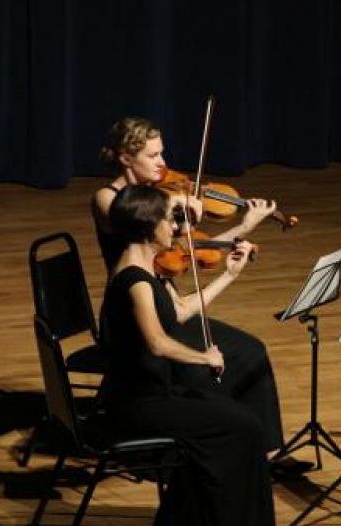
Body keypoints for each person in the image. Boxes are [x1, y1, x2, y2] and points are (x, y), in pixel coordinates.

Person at [95, 116, 309, 475]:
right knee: (210, 371)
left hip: (167, 301)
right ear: (125, 159)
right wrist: (183, 216)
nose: (163, 163)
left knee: (252, 350)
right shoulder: (109, 199)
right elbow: (142, 232)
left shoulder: (164, 201)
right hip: (138, 311)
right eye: (153, 155)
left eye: (162, 154)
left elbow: (186, 250)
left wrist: (241, 228)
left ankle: (269, 453)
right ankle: (214, 449)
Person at [98, 184, 274, 526]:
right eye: (169, 219)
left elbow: (180, 313)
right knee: (242, 426)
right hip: (137, 404)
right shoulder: (133, 279)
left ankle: (197, 525)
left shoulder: (150, 270)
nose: (175, 227)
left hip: (156, 393)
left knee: (238, 417)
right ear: (148, 227)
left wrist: (228, 275)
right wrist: (205, 357)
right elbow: (157, 342)